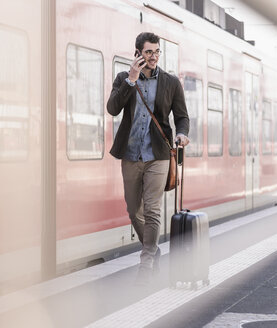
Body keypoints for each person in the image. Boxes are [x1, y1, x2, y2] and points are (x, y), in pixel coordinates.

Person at [107, 32, 190, 284]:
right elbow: (112, 108)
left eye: (156, 52)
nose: (153, 57)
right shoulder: (123, 78)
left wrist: (183, 134)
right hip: (131, 155)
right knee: (134, 211)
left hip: (159, 155)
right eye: (148, 52)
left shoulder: (170, 82)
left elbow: (182, 117)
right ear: (137, 54)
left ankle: (146, 264)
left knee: (153, 210)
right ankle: (153, 250)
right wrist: (131, 81)